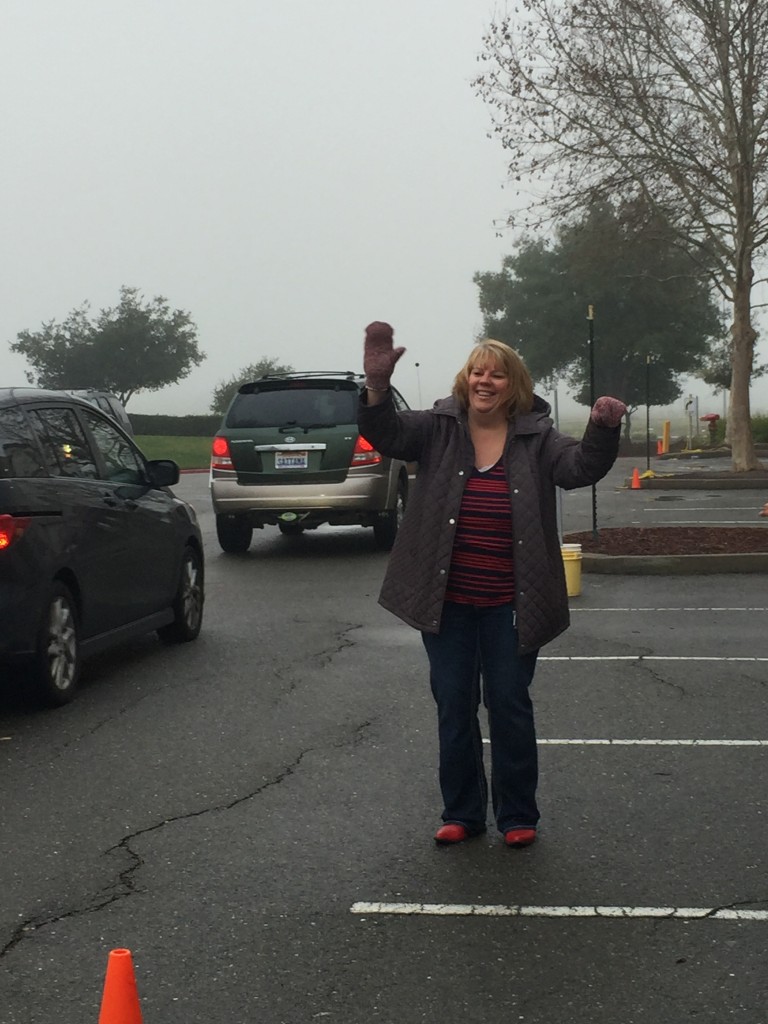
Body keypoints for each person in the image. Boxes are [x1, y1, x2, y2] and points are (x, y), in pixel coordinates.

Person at [358, 321, 626, 848]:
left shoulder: (537, 436)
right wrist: (375, 387)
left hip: (512, 600)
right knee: (453, 702)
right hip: (445, 600)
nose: (485, 381)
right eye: (477, 372)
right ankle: (461, 811)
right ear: (465, 379)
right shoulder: (435, 427)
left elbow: (578, 468)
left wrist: (603, 429)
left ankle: (517, 814)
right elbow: (384, 434)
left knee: (508, 702)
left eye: (497, 375)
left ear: (515, 384)